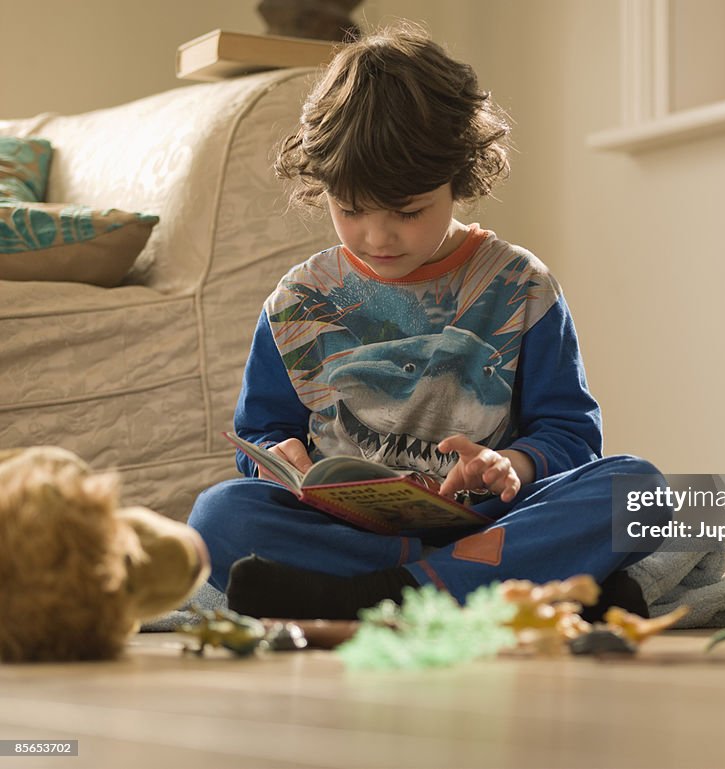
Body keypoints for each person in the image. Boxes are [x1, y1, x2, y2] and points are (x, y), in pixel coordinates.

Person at [187, 24, 668, 620]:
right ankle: (484, 584)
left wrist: (509, 466)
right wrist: (279, 453)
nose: (378, 236)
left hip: (492, 518)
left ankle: (377, 595)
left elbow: (572, 435)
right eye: (351, 209)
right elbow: (258, 433)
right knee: (218, 514)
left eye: (408, 211)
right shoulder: (298, 300)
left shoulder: (522, 286)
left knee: (638, 489)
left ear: (460, 177)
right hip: (351, 528)